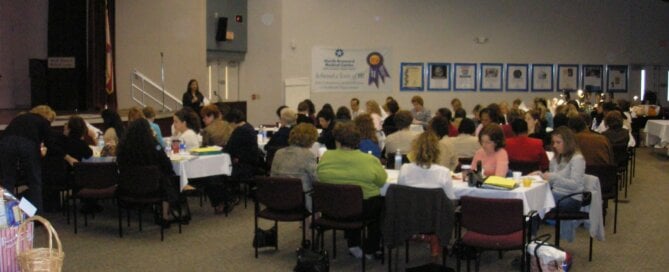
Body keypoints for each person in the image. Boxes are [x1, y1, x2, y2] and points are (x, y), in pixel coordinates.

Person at [316, 122, 387, 259]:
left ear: (337, 139)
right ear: (358, 140)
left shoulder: (325, 157)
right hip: (362, 209)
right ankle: (371, 247)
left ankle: (353, 244)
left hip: (331, 207)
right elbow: (381, 181)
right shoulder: (370, 160)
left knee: (348, 200)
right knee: (381, 205)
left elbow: (319, 176)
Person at [398, 130, 455, 257]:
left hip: (410, 217)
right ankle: (435, 238)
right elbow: (450, 200)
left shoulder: (405, 169)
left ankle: (419, 235)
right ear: (437, 151)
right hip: (436, 220)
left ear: (414, 150)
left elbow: (401, 195)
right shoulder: (443, 172)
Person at [116, 119, 180, 225]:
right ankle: (165, 215)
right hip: (153, 186)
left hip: (129, 186)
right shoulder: (154, 145)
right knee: (167, 178)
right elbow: (166, 163)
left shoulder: (123, 147)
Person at [529, 127, 586, 235]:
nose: (554, 145)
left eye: (558, 142)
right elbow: (551, 181)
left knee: (536, 206)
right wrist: (541, 176)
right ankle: (530, 238)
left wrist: (553, 177)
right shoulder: (556, 158)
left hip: (572, 198)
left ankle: (531, 238)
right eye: (554, 142)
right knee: (533, 203)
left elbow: (575, 185)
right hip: (556, 194)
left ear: (568, 142)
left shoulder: (577, 159)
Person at [271, 123, 319, 212]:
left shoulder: (279, 153)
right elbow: (316, 179)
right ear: (311, 139)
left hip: (278, 198)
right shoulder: (308, 155)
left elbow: (272, 176)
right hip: (300, 202)